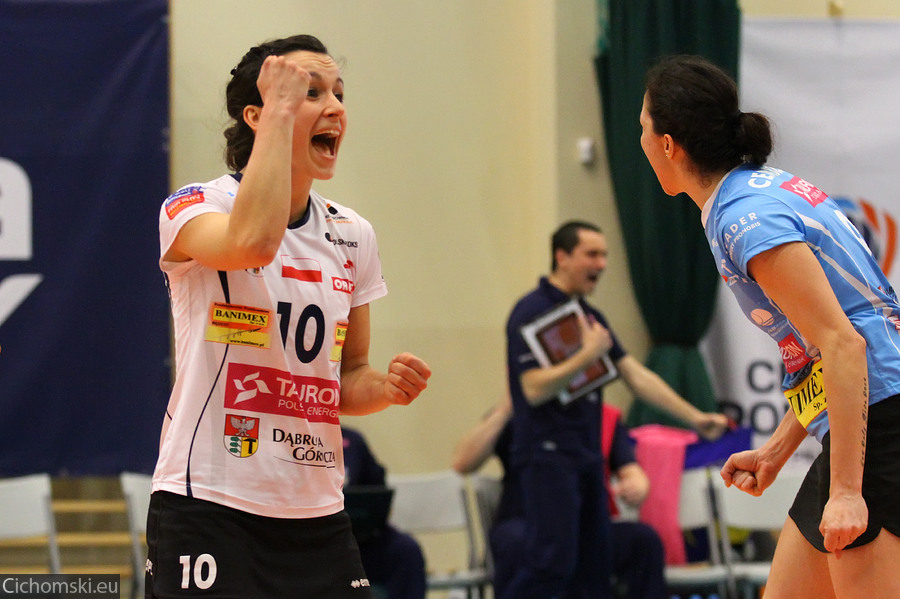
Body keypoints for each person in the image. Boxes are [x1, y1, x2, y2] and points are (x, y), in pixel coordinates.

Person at [147, 34, 431, 599]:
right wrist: (279, 111)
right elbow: (251, 243)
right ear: (256, 114)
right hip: (210, 502)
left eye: (339, 93)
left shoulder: (352, 234)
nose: (335, 107)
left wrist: (386, 388)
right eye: (309, 92)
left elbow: (347, 377)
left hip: (316, 512)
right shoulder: (194, 205)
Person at [639, 54, 900, 599]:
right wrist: (777, 450)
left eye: (642, 127)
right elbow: (824, 352)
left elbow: (844, 345)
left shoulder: (744, 219)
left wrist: (847, 491)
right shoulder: (753, 192)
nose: (638, 140)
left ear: (668, 145)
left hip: (882, 426)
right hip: (860, 424)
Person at [493, 220, 729, 599]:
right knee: (551, 564)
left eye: (604, 255)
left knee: (594, 569)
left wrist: (696, 418)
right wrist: (587, 355)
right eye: (591, 254)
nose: (601, 264)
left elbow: (636, 376)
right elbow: (533, 389)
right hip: (547, 458)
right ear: (562, 257)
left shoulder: (589, 318)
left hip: (587, 458)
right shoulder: (531, 311)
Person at [452, 396, 667, 599]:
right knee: (515, 543)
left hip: (586, 528)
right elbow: (464, 461)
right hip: (526, 524)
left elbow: (631, 471)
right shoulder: (517, 414)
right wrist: (508, 406)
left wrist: (638, 484)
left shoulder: (601, 416)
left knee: (643, 540)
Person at [341, 427, 427, 599]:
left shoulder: (352, 440)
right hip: (316, 541)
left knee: (406, 550)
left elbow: (376, 487)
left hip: (358, 537)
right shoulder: (289, 439)